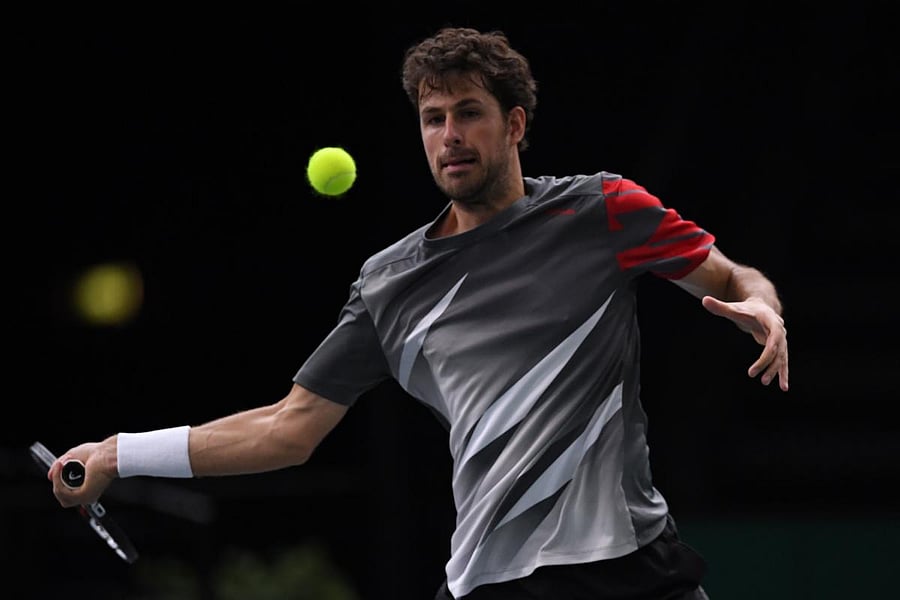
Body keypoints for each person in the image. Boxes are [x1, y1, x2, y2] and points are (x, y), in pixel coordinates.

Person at [48, 26, 789, 599]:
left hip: (638, 565)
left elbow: (733, 274)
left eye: (468, 113)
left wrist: (761, 305)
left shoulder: (604, 210)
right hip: (502, 580)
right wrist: (118, 452)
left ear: (516, 125)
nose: (450, 136)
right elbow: (288, 429)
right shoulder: (390, 286)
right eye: (433, 118)